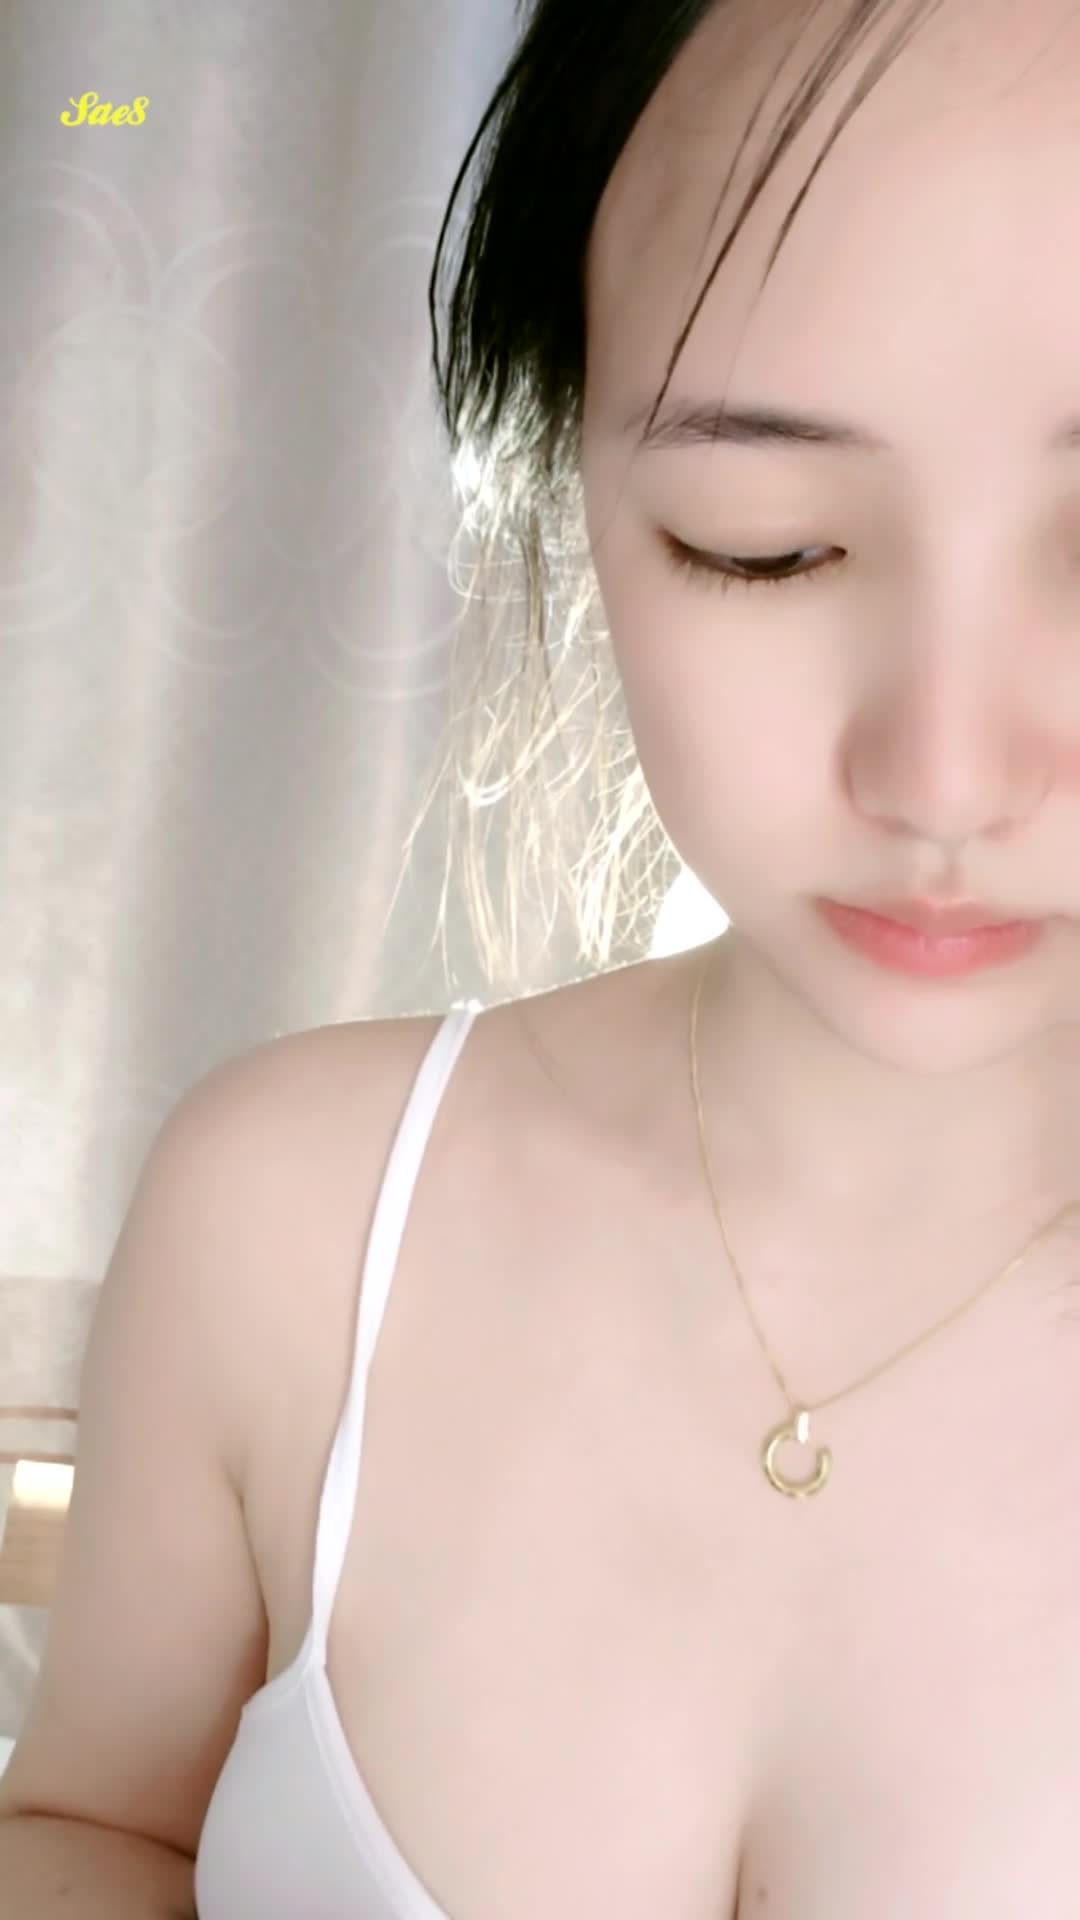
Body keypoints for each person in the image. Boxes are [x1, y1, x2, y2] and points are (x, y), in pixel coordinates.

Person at [4, 0, 1080, 1913]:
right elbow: (91, 1827)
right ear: (574, 472)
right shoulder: (293, 1216)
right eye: (764, 544)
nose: (942, 773)